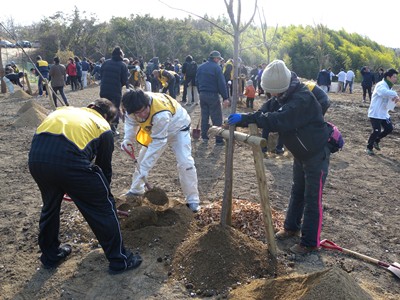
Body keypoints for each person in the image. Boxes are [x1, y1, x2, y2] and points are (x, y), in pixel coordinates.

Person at [227, 60, 331, 255]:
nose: (271, 95)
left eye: (273, 92)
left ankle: (309, 243)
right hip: (300, 154)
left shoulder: (301, 99)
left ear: (282, 87)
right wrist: (246, 116)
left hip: (316, 153)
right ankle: (291, 227)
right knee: (297, 191)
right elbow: (266, 110)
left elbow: (276, 120)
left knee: (312, 197)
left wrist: (247, 119)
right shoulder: (283, 96)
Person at [28, 98, 142, 273]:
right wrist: (106, 201)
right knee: (103, 208)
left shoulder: (63, 110)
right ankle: (120, 260)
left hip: (37, 160)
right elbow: (104, 169)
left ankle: (50, 256)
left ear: (90, 106)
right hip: (69, 162)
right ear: (106, 117)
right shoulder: (103, 127)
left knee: (50, 207)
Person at [120, 89, 201, 213]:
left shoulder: (160, 114)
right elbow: (131, 124)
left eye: (144, 110)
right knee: (141, 159)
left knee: (185, 162)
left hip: (178, 128)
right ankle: (136, 190)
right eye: (138, 113)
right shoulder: (131, 109)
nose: (141, 115)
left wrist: (146, 168)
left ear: (148, 104)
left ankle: (193, 200)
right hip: (154, 130)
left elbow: (158, 143)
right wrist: (128, 139)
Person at [195, 50, 230, 145]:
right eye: (218, 59)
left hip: (202, 94)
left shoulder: (200, 67)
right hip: (213, 94)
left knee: (204, 116)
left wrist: (200, 92)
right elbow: (222, 84)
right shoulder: (217, 68)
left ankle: (204, 137)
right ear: (215, 58)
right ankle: (218, 139)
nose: (219, 60)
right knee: (217, 117)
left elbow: (197, 81)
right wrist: (225, 97)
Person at [365, 68, 399, 155]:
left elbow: (389, 98)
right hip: (375, 113)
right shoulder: (381, 85)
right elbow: (383, 93)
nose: (396, 79)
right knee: (376, 131)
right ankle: (369, 147)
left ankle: (377, 140)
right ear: (388, 77)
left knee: (389, 128)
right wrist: (395, 95)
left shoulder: (389, 87)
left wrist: (394, 100)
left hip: (383, 113)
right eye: (394, 77)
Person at [100, 46, 129, 136]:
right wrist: (119, 84)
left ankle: (103, 127)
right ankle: (113, 129)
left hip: (104, 89)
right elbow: (124, 80)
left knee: (104, 108)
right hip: (115, 91)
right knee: (114, 109)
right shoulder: (122, 65)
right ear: (120, 54)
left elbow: (101, 74)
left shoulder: (106, 63)